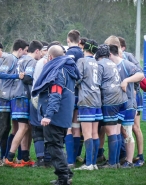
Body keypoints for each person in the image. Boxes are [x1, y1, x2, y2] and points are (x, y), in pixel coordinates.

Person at [32, 45, 80, 185]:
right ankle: (67, 175)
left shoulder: (57, 72)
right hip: (64, 115)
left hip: (55, 116)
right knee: (58, 146)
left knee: (54, 146)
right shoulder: (68, 69)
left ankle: (63, 178)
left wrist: (48, 115)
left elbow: (55, 95)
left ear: (51, 57)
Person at [0, 39, 29, 167]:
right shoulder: (11, 58)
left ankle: (2, 156)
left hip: (7, 97)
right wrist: (17, 76)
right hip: (2, 96)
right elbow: (0, 74)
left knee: (6, 128)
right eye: (26, 51)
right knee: (2, 127)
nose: (26, 53)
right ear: (20, 49)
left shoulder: (16, 60)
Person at [106, 35, 144, 168]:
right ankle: (116, 160)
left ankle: (129, 161)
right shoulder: (109, 65)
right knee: (118, 131)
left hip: (128, 103)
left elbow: (141, 74)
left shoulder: (125, 63)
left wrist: (127, 80)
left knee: (127, 130)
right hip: (115, 104)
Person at [4, 40, 43, 167]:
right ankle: (9, 157)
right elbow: (27, 78)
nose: (42, 55)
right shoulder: (31, 61)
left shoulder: (21, 59)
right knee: (24, 128)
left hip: (16, 96)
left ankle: (25, 158)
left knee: (28, 127)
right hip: (22, 97)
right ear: (37, 51)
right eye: (41, 52)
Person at [95, 44, 128, 169]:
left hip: (111, 100)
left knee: (111, 132)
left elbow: (97, 83)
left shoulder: (100, 64)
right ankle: (116, 161)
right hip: (122, 99)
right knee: (116, 131)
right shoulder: (112, 63)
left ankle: (112, 163)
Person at [73, 39, 101, 170]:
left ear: (84, 48)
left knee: (87, 133)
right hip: (97, 99)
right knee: (95, 132)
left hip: (86, 99)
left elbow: (77, 78)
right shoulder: (97, 63)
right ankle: (94, 163)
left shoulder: (82, 61)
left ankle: (88, 163)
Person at [118, 37, 144, 166]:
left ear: (122, 47)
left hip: (134, 97)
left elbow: (139, 73)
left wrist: (135, 88)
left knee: (135, 127)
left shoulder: (128, 57)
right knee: (122, 128)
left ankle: (140, 156)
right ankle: (124, 155)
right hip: (121, 97)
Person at [65, 29, 84, 167]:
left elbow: (69, 72)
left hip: (70, 94)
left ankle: (70, 160)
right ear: (79, 41)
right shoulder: (82, 53)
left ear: (68, 40)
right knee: (77, 127)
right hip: (81, 94)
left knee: (68, 127)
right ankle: (76, 156)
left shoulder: (70, 53)